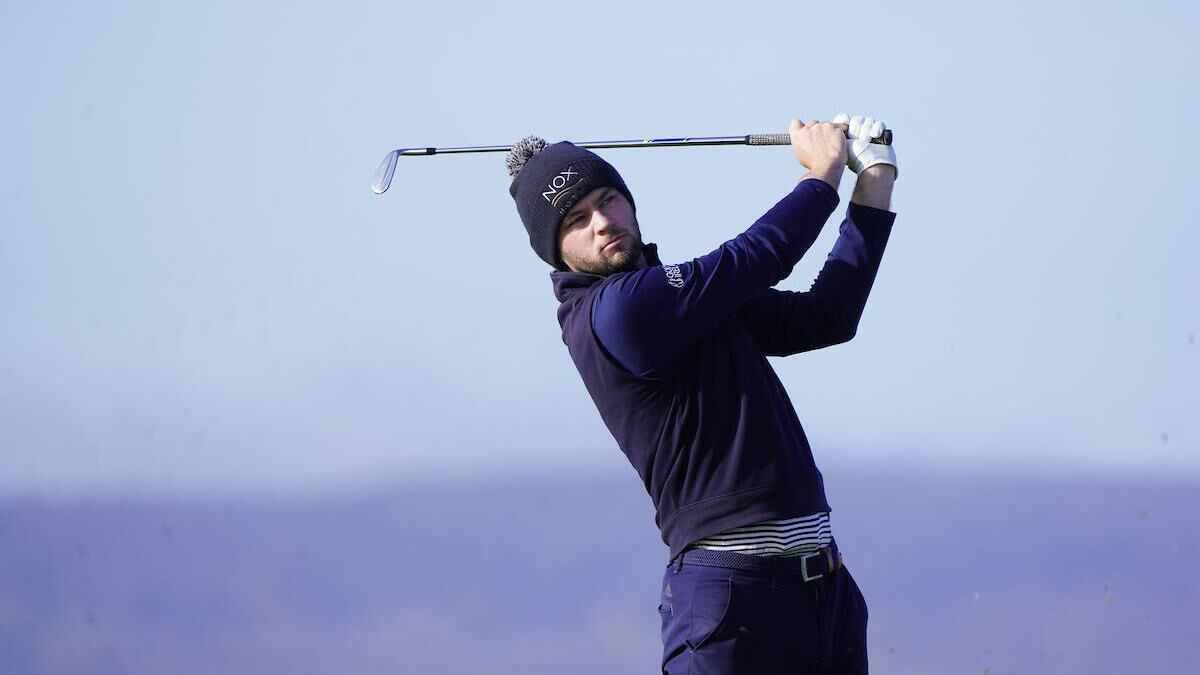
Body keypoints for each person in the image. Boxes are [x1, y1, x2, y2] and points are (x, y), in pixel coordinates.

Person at [507, 114, 897, 674]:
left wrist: (874, 183)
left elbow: (825, 317)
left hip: (823, 593)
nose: (602, 223)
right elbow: (757, 256)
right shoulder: (615, 314)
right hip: (730, 601)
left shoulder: (684, 302)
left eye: (608, 200)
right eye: (577, 219)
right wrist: (822, 174)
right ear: (555, 249)